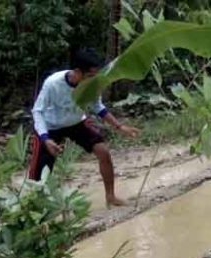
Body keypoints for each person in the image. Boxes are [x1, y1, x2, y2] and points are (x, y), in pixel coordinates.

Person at [28, 48, 141, 207]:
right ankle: (33, 209)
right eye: (90, 76)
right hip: (51, 127)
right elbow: (37, 111)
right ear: (77, 72)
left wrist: (119, 126)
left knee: (103, 152)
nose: (93, 80)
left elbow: (98, 106)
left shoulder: (91, 84)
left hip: (76, 123)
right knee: (39, 174)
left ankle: (111, 197)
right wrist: (45, 139)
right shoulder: (53, 84)